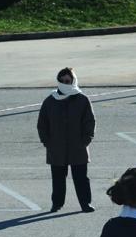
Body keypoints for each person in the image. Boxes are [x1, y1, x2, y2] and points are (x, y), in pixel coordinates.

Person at [37, 67, 96, 213]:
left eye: (67, 81)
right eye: (62, 81)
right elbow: (42, 124)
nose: (65, 83)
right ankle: (56, 204)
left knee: (81, 178)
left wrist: (86, 140)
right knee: (58, 179)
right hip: (56, 148)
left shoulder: (82, 100)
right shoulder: (50, 101)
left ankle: (85, 204)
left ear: (73, 81)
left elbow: (90, 121)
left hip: (78, 147)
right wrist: (47, 142)